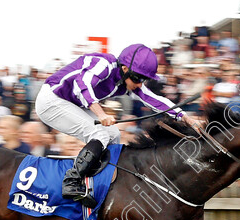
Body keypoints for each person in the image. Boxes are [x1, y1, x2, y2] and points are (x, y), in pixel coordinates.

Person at [35, 44, 200, 206]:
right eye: (137, 78)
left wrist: (186, 118)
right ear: (125, 68)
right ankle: (72, 182)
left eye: (144, 79)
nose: (139, 84)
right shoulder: (103, 64)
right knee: (99, 134)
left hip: (71, 103)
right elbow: (82, 85)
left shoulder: (127, 81)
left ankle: (104, 184)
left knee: (114, 134)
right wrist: (101, 114)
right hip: (51, 101)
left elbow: (155, 100)